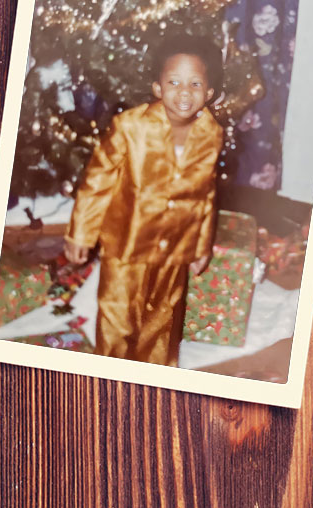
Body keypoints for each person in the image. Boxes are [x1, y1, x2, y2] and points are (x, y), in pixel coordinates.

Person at [62, 35, 225, 365]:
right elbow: (98, 180)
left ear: (208, 93)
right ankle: (110, 371)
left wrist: (200, 245)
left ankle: (155, 377)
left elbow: (206, 194)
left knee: (162, 319)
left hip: (175, 246)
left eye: (195, 84)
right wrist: (81, 233)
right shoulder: (131, 126)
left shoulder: (212, 134)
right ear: (157, 88)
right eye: (174, 82)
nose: (184, 91)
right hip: (127, 243)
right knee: (118, 316)